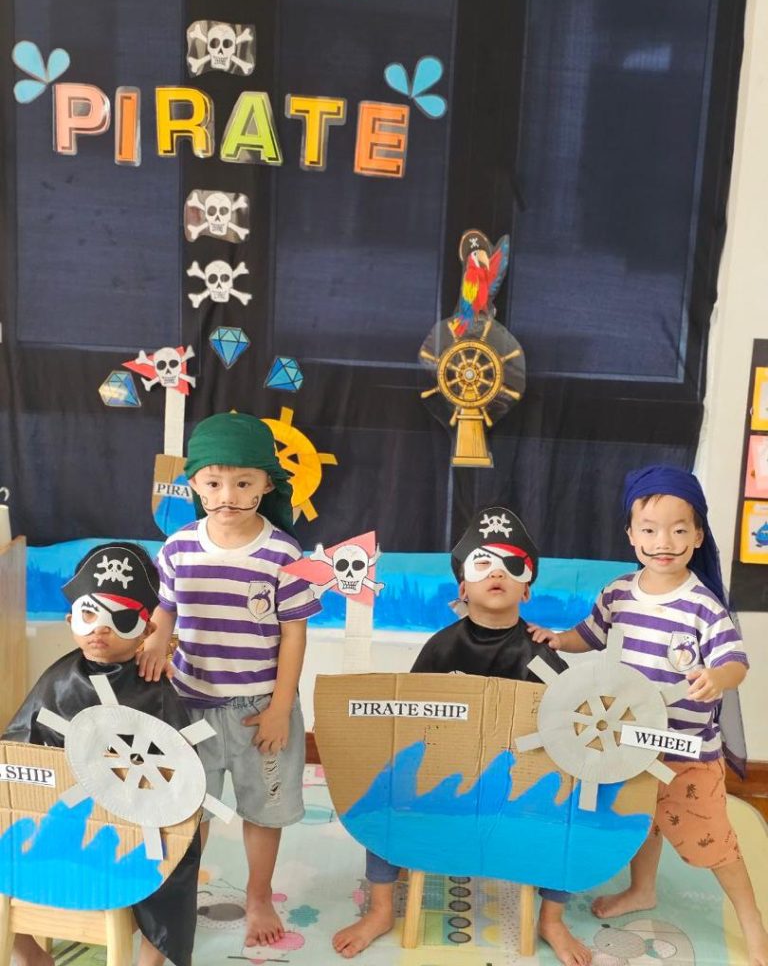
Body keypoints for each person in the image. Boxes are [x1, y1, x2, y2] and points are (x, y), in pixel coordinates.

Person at [529, 465, 768, 966]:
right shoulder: (618, 592)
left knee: (711, 841)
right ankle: (642, 890)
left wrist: (717, 677)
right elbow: (589, 634)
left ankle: (752, 922)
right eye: (650, 530)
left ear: (698, 535)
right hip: (630, 741)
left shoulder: (703, 606)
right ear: (631, 535)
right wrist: (558, 639)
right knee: (643, 821)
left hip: (687, 753)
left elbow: (736, 663)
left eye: (679, 530)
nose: (664, 542)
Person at [332, 507, 591, 966]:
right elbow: (410, 718)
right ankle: (380, 909)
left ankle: (552, 918)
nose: (497, 573)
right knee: (383, 790)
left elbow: (575, 725)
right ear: (463, 587)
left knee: (575, 802)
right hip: (446, 778)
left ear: (527, 588)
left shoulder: (540, 654)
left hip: (518, 785)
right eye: (482, 564)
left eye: (512, 566)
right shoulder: (442, 646)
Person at [137, 411, 321, 949]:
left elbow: (294, 634)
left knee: (264, 809)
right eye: (214, 482)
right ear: (194, 483)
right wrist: (155, 639)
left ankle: (259, 895)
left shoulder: (283, 553)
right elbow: (167, 608)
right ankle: (180, 896)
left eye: (244, 483)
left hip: (258, 707)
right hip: (189, 706)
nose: (228, 496)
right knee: (187, 807)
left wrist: (280, 708)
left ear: (267, 484)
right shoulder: (178, 547)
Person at [3, 542, 201, 966]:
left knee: (180, 853)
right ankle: (31, 954)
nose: (100, 630)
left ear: (146, 629)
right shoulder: (57, 680)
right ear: (70, 619)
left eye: (121, 619)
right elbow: (16, 753)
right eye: (89, 614)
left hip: (135, 828)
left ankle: (149, 960)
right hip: (57, 818)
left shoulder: (155, 689)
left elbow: (182, 778)